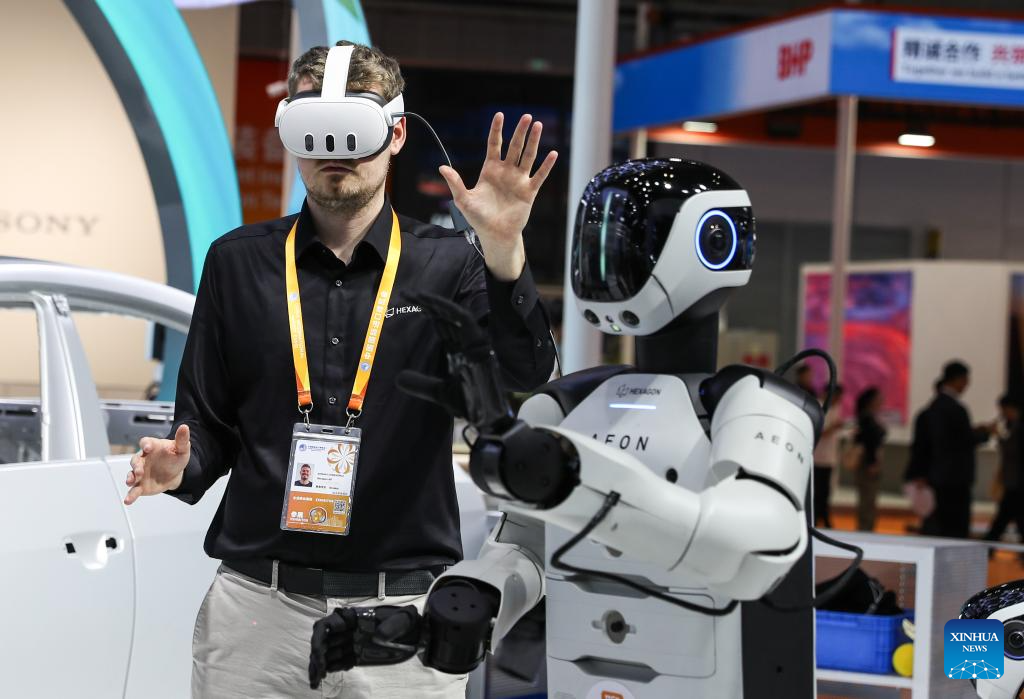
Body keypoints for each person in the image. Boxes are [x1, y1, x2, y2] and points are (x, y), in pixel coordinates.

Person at [122, 41, 557, 698]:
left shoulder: (450, 263)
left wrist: (504, 251)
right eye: (313, 131)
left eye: (353, 131)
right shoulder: (239, 263)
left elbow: (527, 372)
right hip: (257, 614)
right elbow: (210, 424)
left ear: (396, 133)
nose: (335, 151)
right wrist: (182, 465)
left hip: (402, 618)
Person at [906, 361, 992, 538]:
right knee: (955, 528)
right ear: (957, 379)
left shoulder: (929, 410)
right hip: (955, 478)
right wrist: (984, 434)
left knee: (937, 525)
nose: (967, 384)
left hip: (936, 476)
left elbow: (922, 446)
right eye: (966, 380)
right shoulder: (955, 409)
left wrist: (920, 473)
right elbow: (962, 440)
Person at [984, 395, 1024, 549]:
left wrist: (997, 435)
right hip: (1015, 481)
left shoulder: (1019, 427)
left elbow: (1012, 450)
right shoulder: (1016, 426)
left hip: (1017, 481)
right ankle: (989, 546)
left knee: (1004, 516)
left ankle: (988, 547)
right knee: (1011, 515)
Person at [853, 387, 887, 531]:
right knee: (868, 498)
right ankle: (865, 528)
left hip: (869, 462)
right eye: (879, 398)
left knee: (868, 498)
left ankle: (866, 527)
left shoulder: (868, 417)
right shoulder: (867, 418)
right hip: (868, 462)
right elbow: (870, 442)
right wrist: (872, 463)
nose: (881, 401)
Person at [813, 384, 845, 528]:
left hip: (828, 458)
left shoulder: (834, 409)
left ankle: (823, 517)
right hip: (818, 458)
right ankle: (816, 519)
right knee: (817, 492)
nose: (839, 400)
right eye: (838, 397)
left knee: (825, 492)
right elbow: (820, 432)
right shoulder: (819, 408)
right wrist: (834, 427)